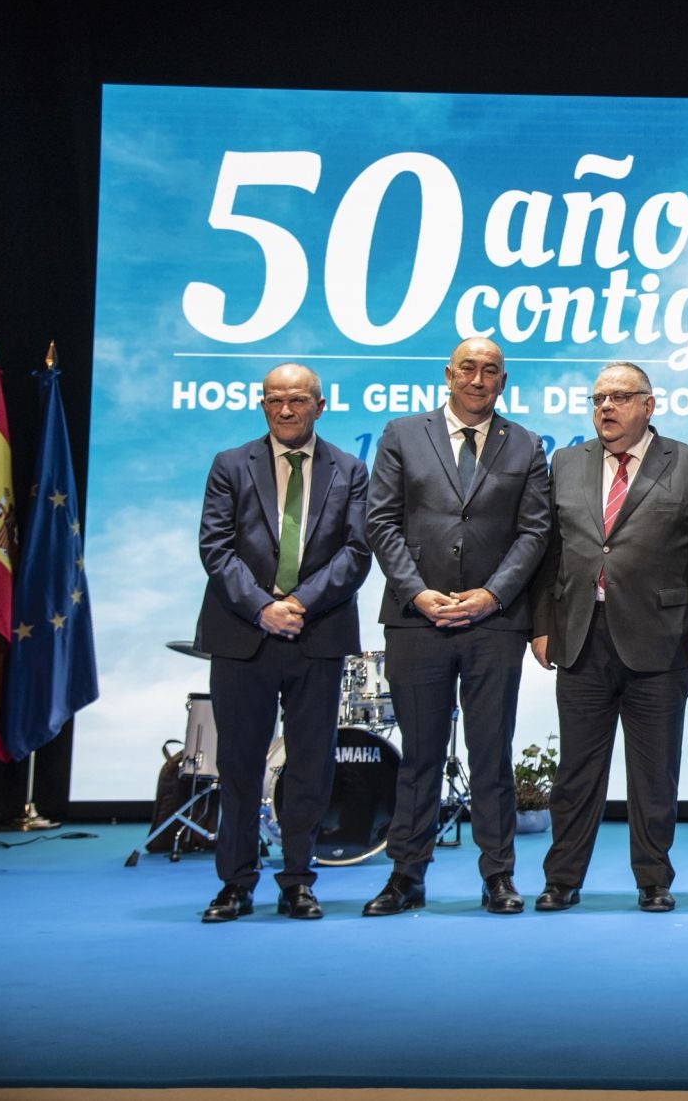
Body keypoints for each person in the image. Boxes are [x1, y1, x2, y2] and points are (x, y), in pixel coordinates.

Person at [529, 361, 688, 914]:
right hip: (579, 638)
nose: (606, 408)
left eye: (619, 397)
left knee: (654, 771)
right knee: (575, 773)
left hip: (661, 641)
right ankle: (561, 879)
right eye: (598, 399)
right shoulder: (566, 463)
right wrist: (541, 627)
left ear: (649, 404)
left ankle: (653, 879)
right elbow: (550, 555)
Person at [362, 337, 552, 917]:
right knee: (419, 754)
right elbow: (381, 521)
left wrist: (492, 595)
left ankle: (498, 875)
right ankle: (406, 876)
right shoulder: (402, 434)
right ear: (448, 375)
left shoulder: (525, 444)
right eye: (467, 368)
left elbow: (535, 532)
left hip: (494, 623)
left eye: (490, 370)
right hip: (417, 621)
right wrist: (418, 593)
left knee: (490, 751)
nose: (478, 378)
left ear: (502, 379)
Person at [195, 364, 371, 922]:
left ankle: (298, 880)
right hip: (242, 634)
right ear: (262, 404)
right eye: (275, 400)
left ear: (320, 405)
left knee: (310, 767)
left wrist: (297, 606)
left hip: (315, 635)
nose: (286, 409)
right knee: (240, 765)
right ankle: (235, 882)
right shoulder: (230, 465)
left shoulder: (350, 469)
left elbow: (356, 552)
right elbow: (215, 547)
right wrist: (262, 608)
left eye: (298, 400)